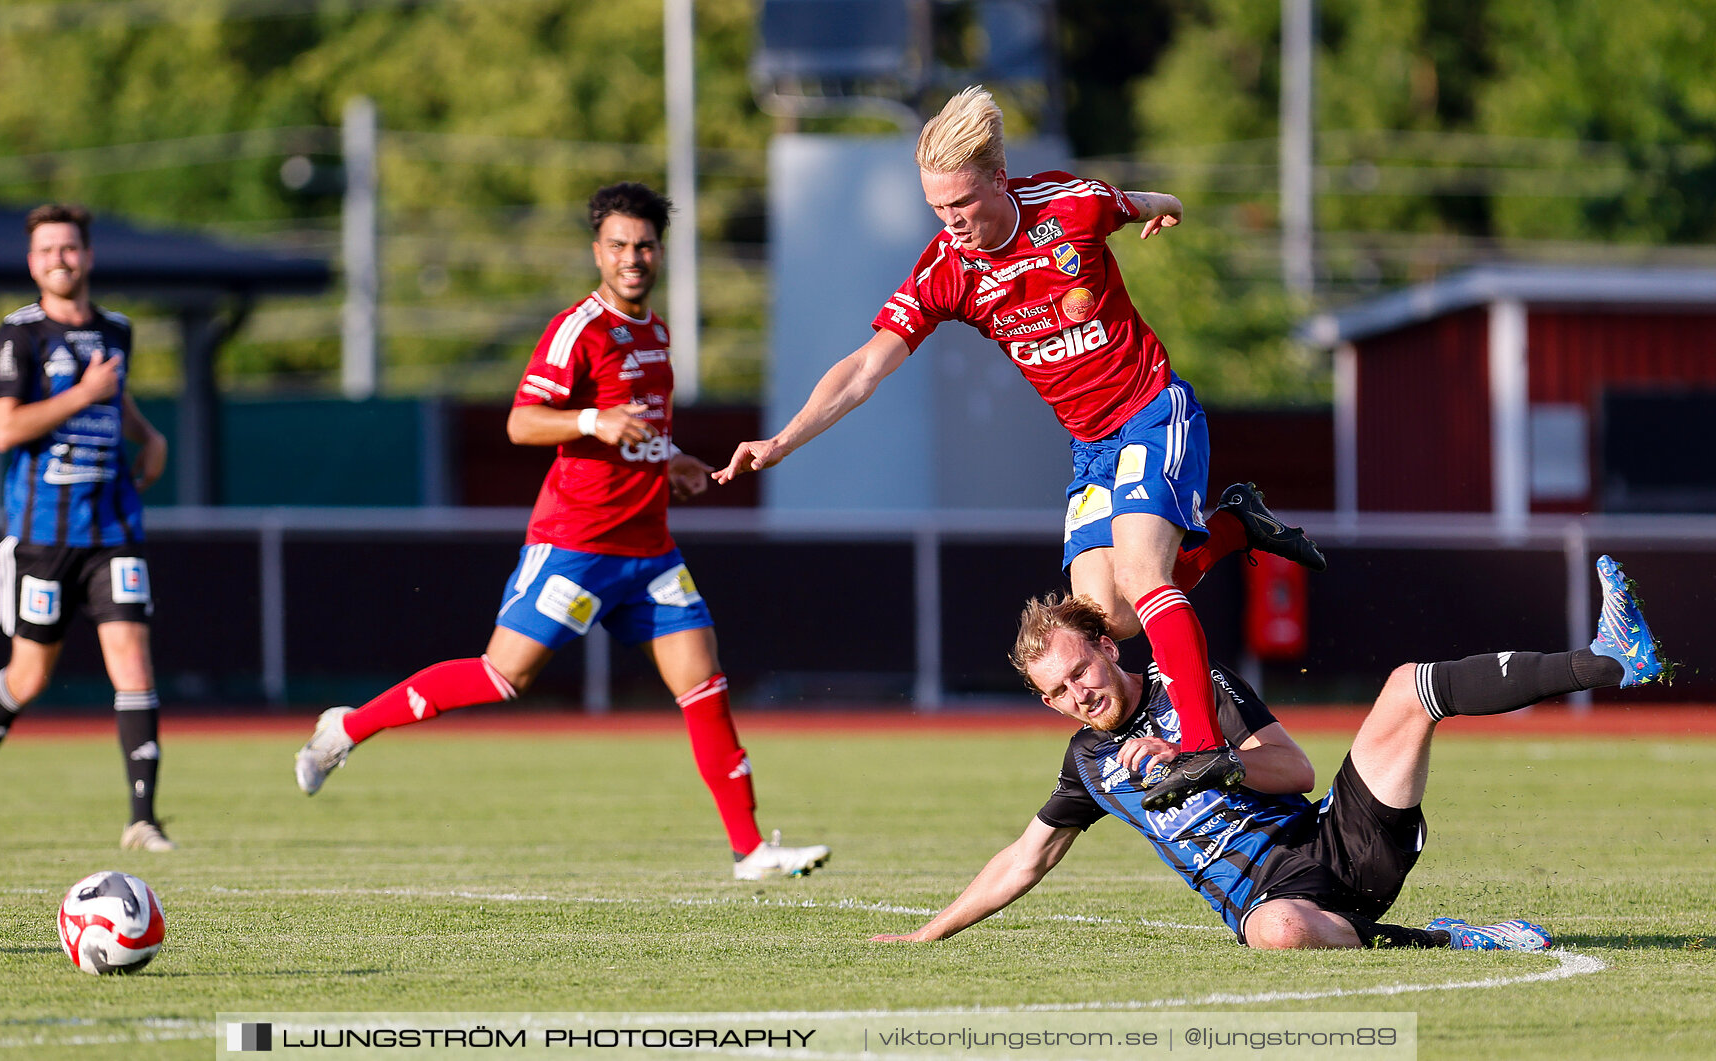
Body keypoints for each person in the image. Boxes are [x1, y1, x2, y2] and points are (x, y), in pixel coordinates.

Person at [716, 86, 1325, 810]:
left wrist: (1171, 207)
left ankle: (1199, 746)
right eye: (937, 209)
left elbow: (1135, 200)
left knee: (1140, 571)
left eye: (962, 205)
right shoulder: (947, 268)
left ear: (999, 180)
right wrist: (785, 438)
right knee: (1107, 623)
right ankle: (1232, 527)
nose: (952, 223)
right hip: (1091, 448)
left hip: (1153, 413)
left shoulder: (1070, 206)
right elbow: (865, 366)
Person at [293, 182, 830, 881]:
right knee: (502, 676)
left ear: (658, 250)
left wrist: (674, 462)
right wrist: (589, 420)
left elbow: (640, 431)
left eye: (643, 245)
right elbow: (521, 421)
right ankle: (346, 728)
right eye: (618, 246)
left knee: (704, 685)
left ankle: (749, 849)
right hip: (576, 545)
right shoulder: (579, 330)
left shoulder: (657, 331)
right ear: (597, 251)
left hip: (649, 549)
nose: (632, 258)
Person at [870, 555, 1671, 951]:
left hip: (1333, 842)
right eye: (1059, 689)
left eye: (1082, 668)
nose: (1078, 691)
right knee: (1278, 933)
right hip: (1277, 905)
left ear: (1110, 650)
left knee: (1404, 687)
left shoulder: (1188, 685)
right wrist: (924, 935)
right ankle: (1460, 939)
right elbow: (1026, 858)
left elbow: (1297, 770)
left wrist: (1212, 758)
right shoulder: (1087, 763)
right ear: (1048, 703)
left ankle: (1608, 660)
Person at [0, 203, 175, 852]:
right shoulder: (18, 336)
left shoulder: (116, 331)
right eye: (48, 250)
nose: (60, 259)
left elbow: (118, 393)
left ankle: (143, 818)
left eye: (70, 248)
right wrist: (82, 392)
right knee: (29, 677)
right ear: (32, 262)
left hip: (113, 529)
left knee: (132, 659)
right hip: (43, 537)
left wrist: (150, 435)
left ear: (88, 256)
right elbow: (5, 429)